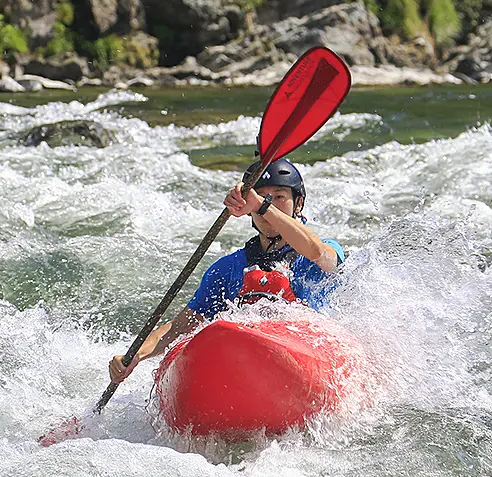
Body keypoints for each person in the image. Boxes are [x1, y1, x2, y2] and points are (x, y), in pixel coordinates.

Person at [109, 158, 344, 384]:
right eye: (261, 197)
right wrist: (137, 355)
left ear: (298, 203)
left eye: (280, 197)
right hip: (248, 368)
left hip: (309, 363)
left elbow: (317, 253)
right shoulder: (227, 269)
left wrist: (263, 206)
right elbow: (182, 325)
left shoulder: (327, 250)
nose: (270, 204)